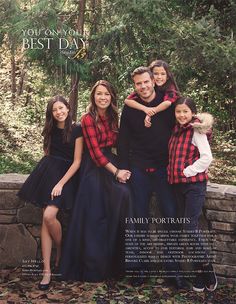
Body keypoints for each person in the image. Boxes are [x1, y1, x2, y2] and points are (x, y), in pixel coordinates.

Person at [118, 66, 184, 289]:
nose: (143, 86)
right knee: (138, 220)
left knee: (172, 217)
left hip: (165, 169)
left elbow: (185, 128)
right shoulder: (130, 109)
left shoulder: (169, 105)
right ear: (134, 86)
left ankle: (173, 272)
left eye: (146, 82)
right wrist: (123, 168)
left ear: (153, 81)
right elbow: (123, 141)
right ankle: (139, 270)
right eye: (138, 84)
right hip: (138, 170)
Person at [60, 80, 133, 282]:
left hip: (111, 160)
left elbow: (121, 141)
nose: (103, 98)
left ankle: (115, 266)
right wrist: (117, 171)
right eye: (99, 94)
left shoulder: (113, 116)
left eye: (107, 94)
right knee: (95, 213)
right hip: (94, 167)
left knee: (123, 196)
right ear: (93, 97)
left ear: (112, 97)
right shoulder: (87, 119)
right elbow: (95, 153)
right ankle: (92, 269)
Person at [18, 96, 83, 290]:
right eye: (55, 110)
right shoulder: (50, 129)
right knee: (46, 218)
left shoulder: (77, 129)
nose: (59, 112)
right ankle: (47, 271)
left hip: (67, 176)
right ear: (51, 113)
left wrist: (61, 183)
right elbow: (48, 153)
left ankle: (61, 248)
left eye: (61, 108)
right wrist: (46, 178)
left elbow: (77, 161)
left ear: (68, 108)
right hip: (48, 172)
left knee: (49, 215)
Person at [168, 97, 217, 292]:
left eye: (185, 112)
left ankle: (207, 268)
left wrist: (188, 171)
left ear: (192, 113)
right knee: (186, 228)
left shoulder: (196, 130)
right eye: (178, 112)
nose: (181, 115)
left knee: (190, 228)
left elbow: (207, 157)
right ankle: (198, 271)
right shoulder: (175, 130)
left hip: (194, 186)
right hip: (178, 186)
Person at [124, 60, 179, 127]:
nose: (159, 77)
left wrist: (151, 112)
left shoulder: (170, 88)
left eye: (163, 74)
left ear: (167, 77)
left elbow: (167, 103)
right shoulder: (146, 88)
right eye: (156, 74)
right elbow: (127, 101)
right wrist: (145, 109)